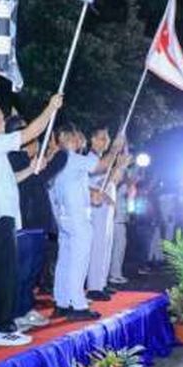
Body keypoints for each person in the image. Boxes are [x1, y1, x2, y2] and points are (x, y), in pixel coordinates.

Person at [0, 92, 62, 346]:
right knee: (3, 275)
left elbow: (7, 180)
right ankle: (2, 327)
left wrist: (31, 169)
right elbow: (30, 132)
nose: (3, 120)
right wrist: (50, 108)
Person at [49, 124, 123, 320]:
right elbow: (101, 166)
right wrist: (115, 148)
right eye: (74, 136)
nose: (78, 139)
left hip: (66, 217)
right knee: (78, 261)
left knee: (65, 260)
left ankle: (62, 302)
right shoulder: (70, 158)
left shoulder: (60, 160)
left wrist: (91, 195)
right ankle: (78, 305)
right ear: (65, 138)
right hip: (77, 217)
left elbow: (74, 187)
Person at [7, 116, 68, 332]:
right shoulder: (14, 158)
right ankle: (16, 313)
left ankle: (26, 308)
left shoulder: (25, 160)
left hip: (37, 223)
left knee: (32, 272)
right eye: (33, 139)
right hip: (25, 222)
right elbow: (39, 178)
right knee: (23, 272)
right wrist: (60, 154)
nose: (37, 143)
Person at [85, 126, 117, 301]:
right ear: (93, 139)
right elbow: (89, 184)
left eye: (108, 138)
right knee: (97, 245)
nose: (106, 141)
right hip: (96, 208)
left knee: (105, 244)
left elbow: (109, 181)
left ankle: (102, 282)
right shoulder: (90, 159)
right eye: (102, 138)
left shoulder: (101, 159)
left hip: (106, 208)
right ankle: (94, 286)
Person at [108, 166, 133, 286]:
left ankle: (115, 273)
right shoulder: (116, 184)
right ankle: (114, 275)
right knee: (117, 248)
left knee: (119, 248)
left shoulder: (123, 183)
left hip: (121, 218)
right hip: (115, 220)